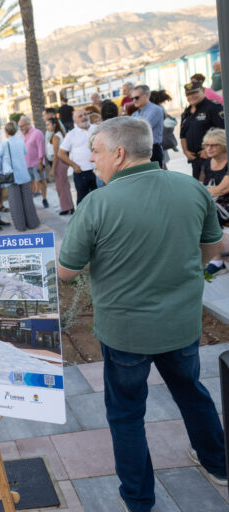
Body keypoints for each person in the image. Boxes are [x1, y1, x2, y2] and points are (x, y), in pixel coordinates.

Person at [58, 116, 227, 512]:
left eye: (95, 152)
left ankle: (138, 500)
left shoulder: (97, 203)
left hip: (125, 332)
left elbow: (67, 272)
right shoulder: (190, 187)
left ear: (118, 154)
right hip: (181, 324)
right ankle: (218, 465)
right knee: (192, 393)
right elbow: (211, 248)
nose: (92, 161)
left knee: (126, 414)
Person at [0, 122, 40, 232]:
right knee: (27, 201)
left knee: (15, 203)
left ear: (6, 132)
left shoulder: (5, 144)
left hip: (12, 177)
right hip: (23, 174)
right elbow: (25, 152)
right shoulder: (21, 140)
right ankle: (32, 223)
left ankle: (21, 226)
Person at [180, 81, 225, 180]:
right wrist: (185, 151)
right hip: (194, 159)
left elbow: (223, 131)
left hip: (211, 158)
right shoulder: (186, 112)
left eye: (194, 92)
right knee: (199, 187)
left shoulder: (213, 108)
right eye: (188, 94)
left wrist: (208, 150)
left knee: (211, 188)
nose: (191, 96)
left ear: (203, 91)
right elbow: (182, 135)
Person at [199, 128, 229, 275]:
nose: (208, 149)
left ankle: (216, 261)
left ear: (223, 144)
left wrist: (201, 194)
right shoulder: (207, 164)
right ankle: (214, 259)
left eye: (213, 145)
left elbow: (223, 189)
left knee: (203, 216)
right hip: (214, 202)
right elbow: (199, 186)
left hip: (226, 203)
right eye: (206, 145)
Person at [59, 109, 98, 204]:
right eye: (80, 116)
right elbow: (61, 153)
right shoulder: (71, 135)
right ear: (75, 121)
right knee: (83, 201)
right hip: (81, 173)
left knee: (99, 199)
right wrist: (74, 166)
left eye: (85, 114)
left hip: (98, 170)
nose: (84, 117)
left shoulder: (97, 129)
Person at [45, 117, 74, 215]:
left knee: (61, 186)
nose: (47, 127)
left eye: (48, 124)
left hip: (58, 162)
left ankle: (66, 208)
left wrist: (52, 169)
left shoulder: (56, 137)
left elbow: (56, 154)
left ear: (54, 125)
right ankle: (69, 206)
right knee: (64, 185)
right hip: (60, 162)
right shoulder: (58, 134)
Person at [130, 85, 165, 168]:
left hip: (153, 149)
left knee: (156, 179)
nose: (134, 101)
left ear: (147, 95)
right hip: (139, 150)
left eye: (137, 98)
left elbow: (142, 128)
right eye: (132, 99)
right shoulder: (134, 114)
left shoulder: (155, 110)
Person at [19, 116, 48, 208]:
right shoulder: (21, 136)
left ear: (28, 124)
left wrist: (40, 162)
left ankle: (44, 199)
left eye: (22, 126)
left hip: (36, 163)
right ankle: (32, 199)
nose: (21, 128)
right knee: (30, 182)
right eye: (20, 127)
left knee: (41, 180)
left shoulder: (37, 133)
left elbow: (41, 148)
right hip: (26, 164)